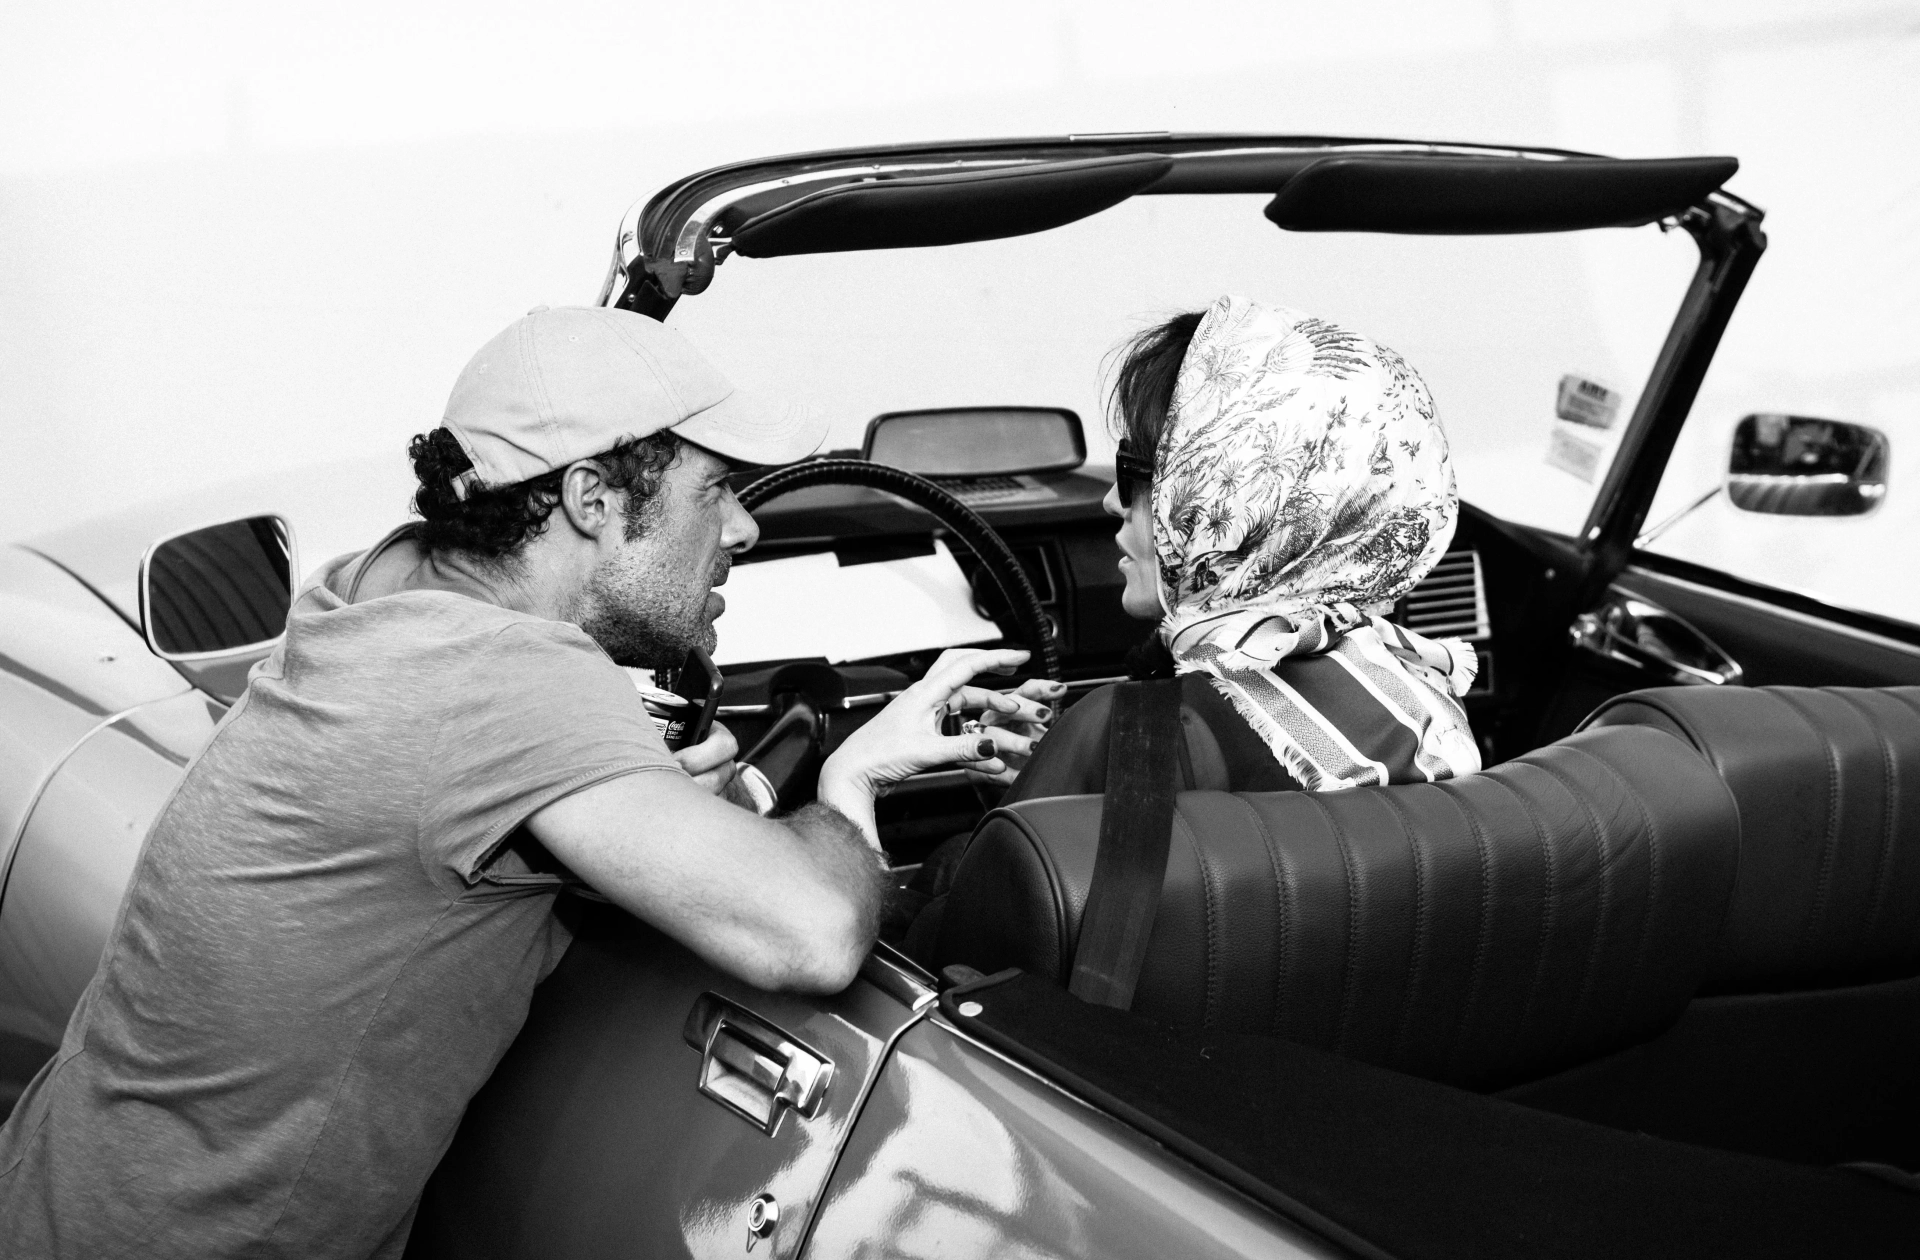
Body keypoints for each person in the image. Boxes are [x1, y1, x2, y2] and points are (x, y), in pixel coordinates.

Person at [0, 305, 1050, 1259]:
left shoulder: (377, 593)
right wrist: (852, 787)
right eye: (717, 491)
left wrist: (648, 788)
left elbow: (461, 787)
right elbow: (812, 930)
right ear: (590, 496)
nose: (743, 529)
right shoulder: (508, 679)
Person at [1014, 293, 1482, 799]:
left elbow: (1019, 876)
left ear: (1228, 492)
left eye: (1134, 471)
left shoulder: (1132, 736)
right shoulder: (1431, 710)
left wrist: (1058, 775)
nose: (1110, 501)